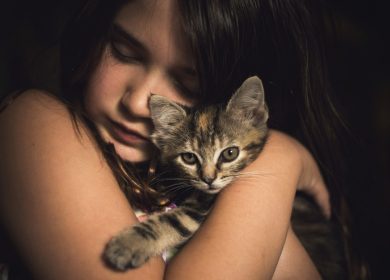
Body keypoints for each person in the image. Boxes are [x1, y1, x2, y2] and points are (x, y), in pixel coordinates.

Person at [0, 0, 354, 279]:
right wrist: (280, 158)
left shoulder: (216, 194)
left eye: (188, 85)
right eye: (124, 52)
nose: (139, 103)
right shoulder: (32, 126)